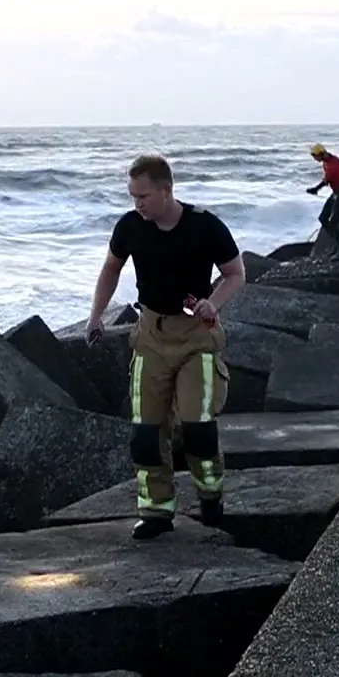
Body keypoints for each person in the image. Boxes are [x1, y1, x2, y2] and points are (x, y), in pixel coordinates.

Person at [85, 153, 245, 539]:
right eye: (132, 196)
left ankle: (210, 497)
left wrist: (213, 302)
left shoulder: (205, 226)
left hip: (195, 336)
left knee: (198, 429)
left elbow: (235, 273)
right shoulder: (130, 227)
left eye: (142, 196)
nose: (136, 204)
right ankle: (156, 511)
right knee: (145, 432)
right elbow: (111, 268)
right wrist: (96, 316)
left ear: (165, 190)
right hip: (150, 335)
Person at [306, 144, 339, 253]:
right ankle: (337, 242)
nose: (314, 158)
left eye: (315, 156)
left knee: (333, 223)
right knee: (323, 218)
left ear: (321, 154)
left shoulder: (334, 164)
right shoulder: (326, 162)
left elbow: (325, 181)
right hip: (336, 193)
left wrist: (315, 189)